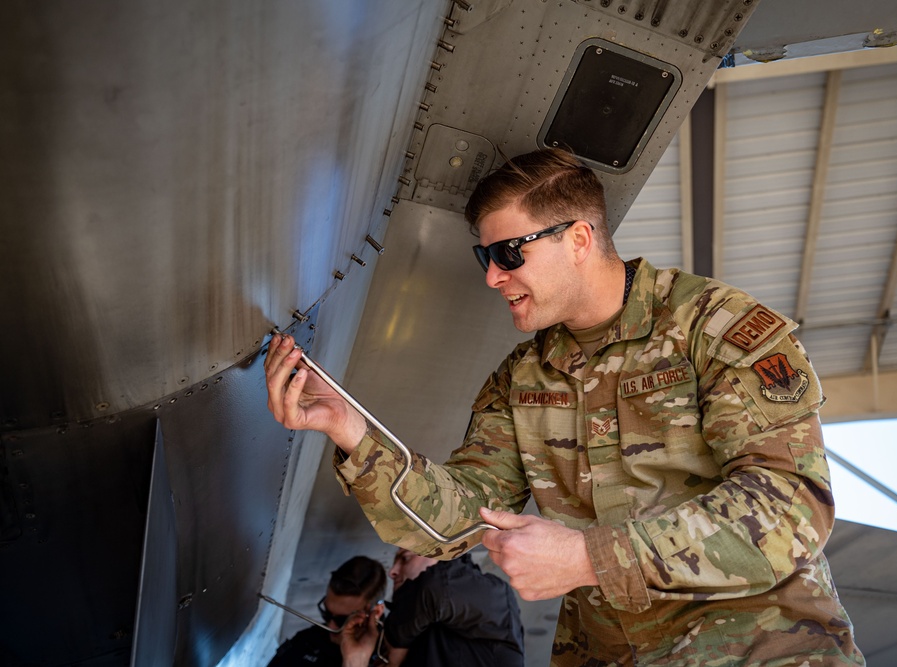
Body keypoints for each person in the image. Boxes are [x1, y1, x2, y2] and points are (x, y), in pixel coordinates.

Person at [265, 148, 866, 665]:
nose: (492, 278)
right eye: (485, 258)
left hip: (755, 651)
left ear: (578, 238)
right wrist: (351, 431)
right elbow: (458, 522)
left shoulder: (713, 327)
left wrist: (588, 556)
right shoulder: (521, 378)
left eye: (508, 254)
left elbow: (790, 511)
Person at [380, 547, 524, 666]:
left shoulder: (494, 597)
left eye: (405, 558)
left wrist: (395, 641)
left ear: (441, 553)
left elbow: (435, 587)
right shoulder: (411, 626)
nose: (392, 571)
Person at [267, 556, 387, 667]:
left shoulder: (392, 656)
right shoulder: (308, 641)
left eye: (342, 620)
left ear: (375, 613)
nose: (331, 626)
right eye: (326, 614)